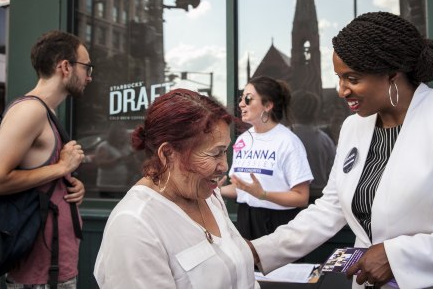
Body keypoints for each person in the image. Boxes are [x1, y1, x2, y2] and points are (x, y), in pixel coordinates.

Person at [249, 12, 433, 289]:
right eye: (339, 78)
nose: (342, 90)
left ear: (393, 75)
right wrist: (259, 251)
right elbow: (330, 208)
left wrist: (396, 256)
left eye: (352, 78)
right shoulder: (353, 127)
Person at [94, 89, 258, 289]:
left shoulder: (207, 194)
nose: (224, 166)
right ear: (168, 153)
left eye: (225, 151)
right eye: (215, 154)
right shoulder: (133, 226)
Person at [0, 30, 90, 289]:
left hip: (53, 268)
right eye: (87, 67)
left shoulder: (45, 111)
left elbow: (40, 177)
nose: (90, 76)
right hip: (40, 275)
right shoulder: (30, 110)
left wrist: (69, 183)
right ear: (65, 66)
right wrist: (61, 167)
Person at [220, 76, 314, 240]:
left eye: (248, 98)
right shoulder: (243, 140)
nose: (241, 104)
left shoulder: (288, 142)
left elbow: (301, 197)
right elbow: (243, 189)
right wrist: (215, 191)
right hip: (245, 219)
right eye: (241, 98)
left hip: (279, 224)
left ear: (268, 105)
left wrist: (263, 194)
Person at [290, 90, 336, 204]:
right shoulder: (325, 140)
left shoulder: (285, 137)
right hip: (320, 198)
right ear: (316, 112)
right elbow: (333, 171)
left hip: (291, 198)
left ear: (292, 111)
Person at [95, 124, 133, 198]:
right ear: (113, 135)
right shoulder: (104, 146)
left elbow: (133, 164)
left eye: (123, 134)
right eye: (120, 134)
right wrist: (119, 159)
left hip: (123, 186)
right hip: (108, 187)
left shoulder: (126, 146)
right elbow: (100, 163)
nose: (122, 136)